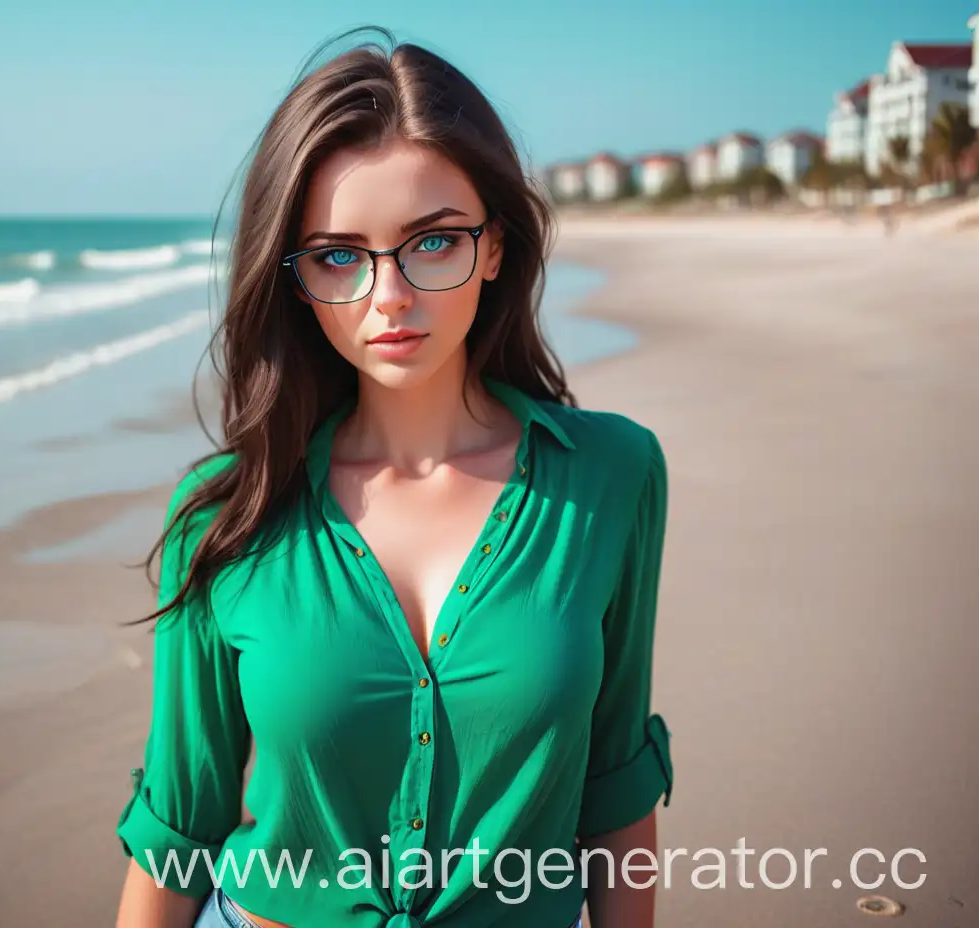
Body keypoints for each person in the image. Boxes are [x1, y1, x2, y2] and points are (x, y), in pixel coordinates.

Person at [114, 28, 673, 928]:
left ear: (495, 246)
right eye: (339, 255)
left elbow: (614, 786)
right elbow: (181, 828)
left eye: (433, 242)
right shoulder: (224, 516)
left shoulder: (613, 476)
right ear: (293, 279)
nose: (389, 297)